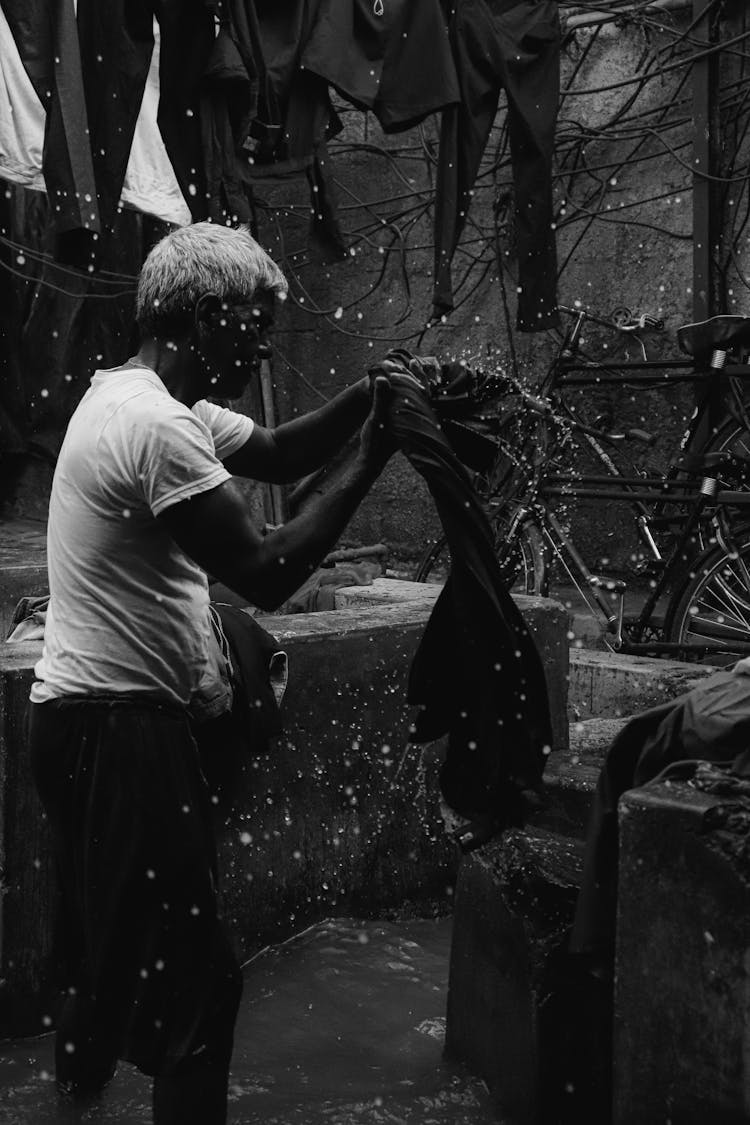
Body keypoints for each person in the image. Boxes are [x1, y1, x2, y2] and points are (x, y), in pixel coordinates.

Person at [28, 221, 394, 1124]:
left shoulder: (140, 396)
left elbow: (278, 452)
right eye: (253, 322)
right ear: (200, 316)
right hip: (124, 734)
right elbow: (267, 569)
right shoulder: (156, 427)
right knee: (198, 990)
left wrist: (370, 397)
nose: (265, 341)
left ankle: (70, 1101)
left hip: (70, 719)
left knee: (100, 959)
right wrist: (380, 452)